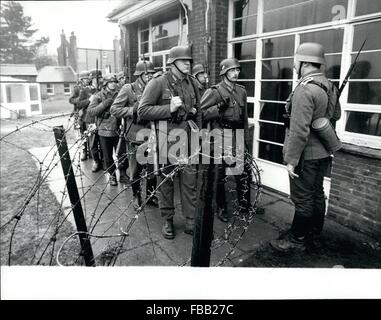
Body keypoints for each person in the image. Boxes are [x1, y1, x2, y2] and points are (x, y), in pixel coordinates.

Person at [270, 42, 341, 252]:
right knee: (317, 193)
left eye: (296, 61)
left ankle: (296, 240)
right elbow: (335, 116)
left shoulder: (304, 88)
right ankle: (313, 233)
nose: (294, 65)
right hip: (323, 153)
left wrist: (291, 161)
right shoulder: (329, 85)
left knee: (303, 198)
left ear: (305, 62)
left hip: (305, 156)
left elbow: (299, 131)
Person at [138, 45, 201, 239]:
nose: (188, 64)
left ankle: (190, 220)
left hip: (188, 139)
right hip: (166, 138)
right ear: (172, 63)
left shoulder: (191, 82)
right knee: (166, 183)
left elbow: (197, 110)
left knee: (190, 182)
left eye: (189, 61)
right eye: (184, 61)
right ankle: (168, 220)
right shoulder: (158, 83)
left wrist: (199, 134)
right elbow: (143, 111)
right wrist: (169, 110)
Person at [200, 58, 251, 223]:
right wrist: (218, 109)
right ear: (224, 72)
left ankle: (244, 204)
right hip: (221, 135)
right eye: (232, 70)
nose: (236, 73)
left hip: (238, 135)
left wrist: (246, 141)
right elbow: (200, 114)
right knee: (220, 176)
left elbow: (244, 118)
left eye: (237, 70)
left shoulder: (241, 91)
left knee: (242, 171)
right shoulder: (214, 92)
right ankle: (221, 207)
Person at [111, 60, 158, 207]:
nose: (150, 76)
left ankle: (150, 196)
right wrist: (132, 110)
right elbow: (114, 109)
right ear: (140, 75)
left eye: (151, 73)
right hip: (134, 136)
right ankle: (136, 196)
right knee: (135, 170)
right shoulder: (129, 89)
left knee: (152, 168)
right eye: (147, 74)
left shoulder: (156, 87)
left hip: (152, 135)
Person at [87, 73, 120, 186]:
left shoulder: (120, 93)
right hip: (104, 130)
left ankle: (123, 173)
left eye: (115, 82)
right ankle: (112, 175)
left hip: (119, 129)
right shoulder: (99, 96)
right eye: (111, 82)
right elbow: (91, 112)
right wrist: (104, 104)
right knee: (108, 156)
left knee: (122, 154)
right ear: (105, 84)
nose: (113, 84)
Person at [69, 70, 90, 161]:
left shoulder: (90, 88)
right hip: (79, 113)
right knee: (82, 133)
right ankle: (84, 151)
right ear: (81, 79)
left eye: (88, 78)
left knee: (90, 133)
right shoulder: (77, 88)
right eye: (85, 79)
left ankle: (91, 152)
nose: (87, 80)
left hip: (88, 112)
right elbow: (71, 100)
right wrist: (79, 100)